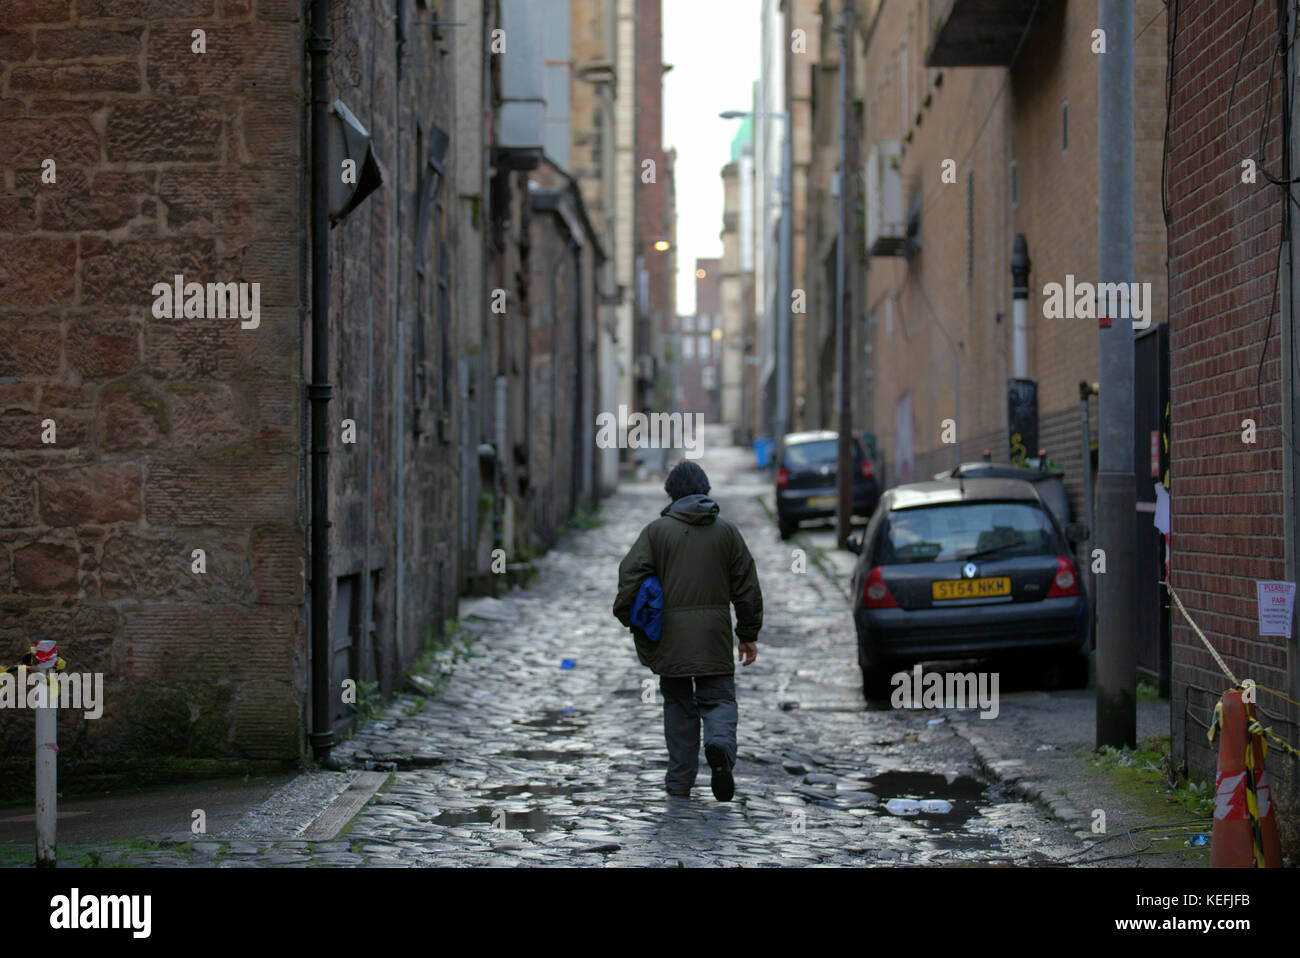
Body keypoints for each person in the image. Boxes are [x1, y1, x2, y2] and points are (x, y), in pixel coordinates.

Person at [613, 460, 763, 801]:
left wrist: (629, 616)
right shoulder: (726, 533)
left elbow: (629, 577)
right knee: (720, 698)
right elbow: (747, 587)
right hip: (715, 638)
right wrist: (748, 633)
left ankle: (680, 782)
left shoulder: (656, 533)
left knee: (679, 707)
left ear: (671, 493)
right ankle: (720, 746)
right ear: (706, 490)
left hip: (672, 639)